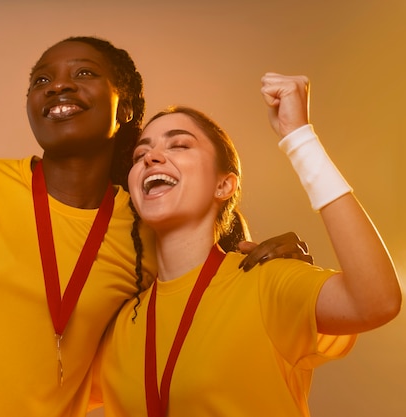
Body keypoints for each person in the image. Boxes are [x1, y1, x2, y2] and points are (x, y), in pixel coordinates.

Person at [0, 36, 313, 417]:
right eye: (42, 80)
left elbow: (215, 286)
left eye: (84, 73)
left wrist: (276, 260)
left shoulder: (145, 228)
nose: (58, 87)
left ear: (126, 105)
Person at [96, 73, 402, 417]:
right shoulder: (119, 324)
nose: (151, 158)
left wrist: (299, 139)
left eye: (178, 145)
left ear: (224, 186)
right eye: (141, 154)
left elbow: (378, 300)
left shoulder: (265, 282)